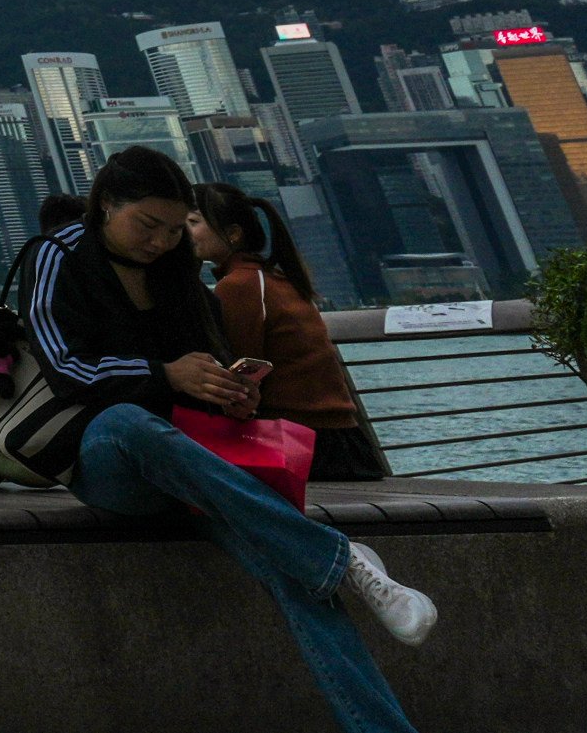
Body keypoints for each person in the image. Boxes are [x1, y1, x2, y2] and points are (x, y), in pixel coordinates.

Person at [25, 149, 437, 733]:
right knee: (129, 422)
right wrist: (164, 373)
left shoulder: (179, 270)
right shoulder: (57, 254)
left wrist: (230, 392)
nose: (162, 242)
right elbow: (63, 369)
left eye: (175, 230)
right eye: (148, 225)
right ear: (106, 205)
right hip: (107, 461)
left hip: (195, 461)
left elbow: (207, 357)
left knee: (295, 571)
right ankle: (342, 556)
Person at [193, 183, 389, 481]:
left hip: (298, 444)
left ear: (232, 234)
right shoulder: (277, 278)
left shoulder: (239, 285)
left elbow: (241, 375)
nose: (184, 232)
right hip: (344, 442)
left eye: (193, 222)